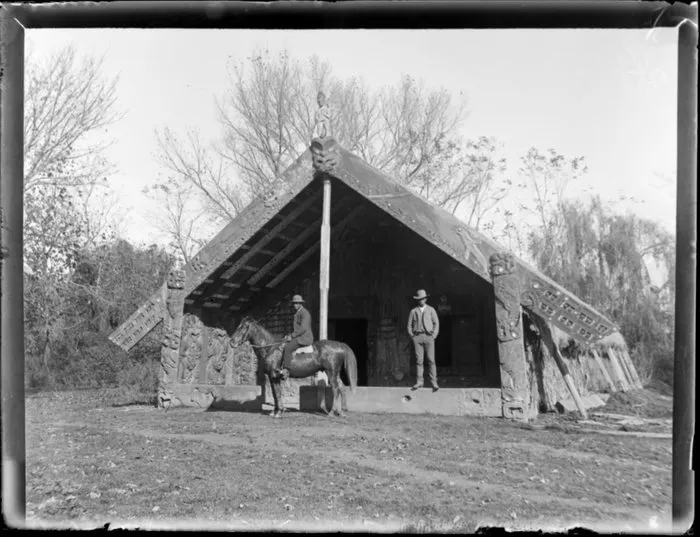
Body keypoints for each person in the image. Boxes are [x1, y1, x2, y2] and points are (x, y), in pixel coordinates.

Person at [407, 289, 440, 392]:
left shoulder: (431, 310)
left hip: (429, 337)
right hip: (418, 337)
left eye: (423, 299)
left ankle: (434, 382)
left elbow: (436, 323)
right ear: (417, 300)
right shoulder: (413, 311)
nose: (421, 301)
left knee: (431, 360)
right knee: (419, 361)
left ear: (425, 299)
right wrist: (413, 337)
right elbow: (409, 326)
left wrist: (434, 335)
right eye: (419, 299)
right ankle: (419, 382)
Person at [278, 295, 314, 379]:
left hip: (304, 338)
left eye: (297, 303)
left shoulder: (304, 313)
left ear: (300, 303)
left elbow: (303, 328)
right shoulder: (298, 312)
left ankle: (286, 370)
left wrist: (292, 336)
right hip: (299, 336)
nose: (295, 305)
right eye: (294, 303)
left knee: (288, 347)